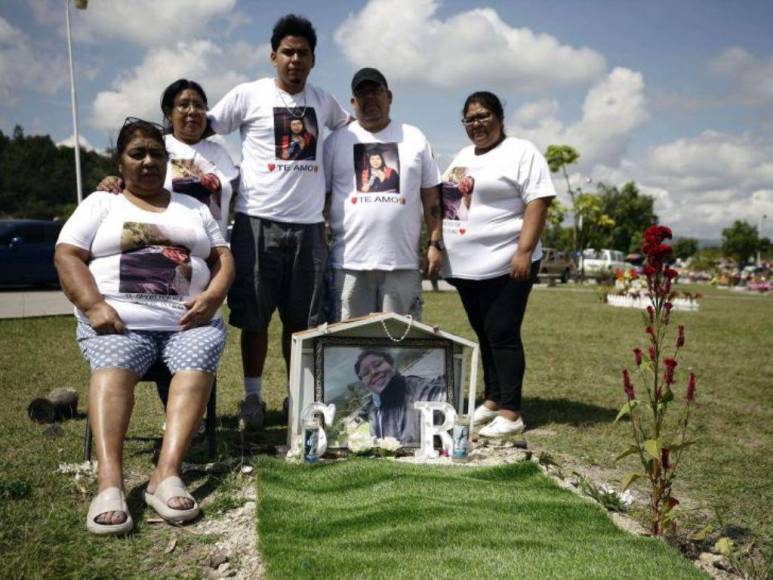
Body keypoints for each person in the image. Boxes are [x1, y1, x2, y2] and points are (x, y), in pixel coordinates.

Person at [55, 119, 235, 535]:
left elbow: (222, 259)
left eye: (156, 153)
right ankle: (110, 484)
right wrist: (93, 305)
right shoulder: (101, 204)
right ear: (121, 161)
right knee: (114, 361)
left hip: (186, 323)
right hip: (119, 321)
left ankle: (165, 474)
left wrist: (210, 298)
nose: (149, 161)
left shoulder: (193, 208)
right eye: (138, 153)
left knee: (200, 351)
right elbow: (67, 255)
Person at [207, 15, 350, 430]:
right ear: (273, 56)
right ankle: (252, 398)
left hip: (308, 228)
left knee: (300, 322)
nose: (294, 59)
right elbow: (202, 128)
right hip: (255, 224)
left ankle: (297, 399)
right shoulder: (247, 95)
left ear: (313, 60)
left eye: (302, 53)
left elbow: (352, 133)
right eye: (287, 52)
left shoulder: (325, 103)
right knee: (254, 319)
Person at [442, 91, 555, 439]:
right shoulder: (462, 157)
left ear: (500, 117)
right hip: (467, 267)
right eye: (470, 119)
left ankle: (511, 411)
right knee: (485, 333)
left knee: (503, 333)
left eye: (483, 116)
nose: (477, 124)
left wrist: (524, 250)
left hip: (507, 262)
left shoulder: (521, 151)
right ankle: (492, 400)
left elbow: (539, 199)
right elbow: (452, 203)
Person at [325, 67, 443, 321]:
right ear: (353, 102)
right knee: (348, 345)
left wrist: (435, 244)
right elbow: (320, 198)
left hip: (401, 263)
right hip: (349, 265)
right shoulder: (335, 141)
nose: (370, 99)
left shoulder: (414, 137)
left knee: (400, 345)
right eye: (362, 94)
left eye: (376, 91)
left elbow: (432, 197)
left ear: (389, 96)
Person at [98, 79, 238, 238]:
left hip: (213, 249)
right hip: (166, 243)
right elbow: (132, 181)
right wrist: (114, 182)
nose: (192, 111)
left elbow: (235, 193)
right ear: (168, 113)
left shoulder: (219, 152)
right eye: (184, 105)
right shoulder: (157, 148)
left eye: (199, 106)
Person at [354, 350, 445, 445]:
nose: (373, 372)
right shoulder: (373, 410)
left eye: (377, 364)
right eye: (365, 373)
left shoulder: (419, 390)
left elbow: (441, 396)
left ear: (392, 365)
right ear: (364, 383)